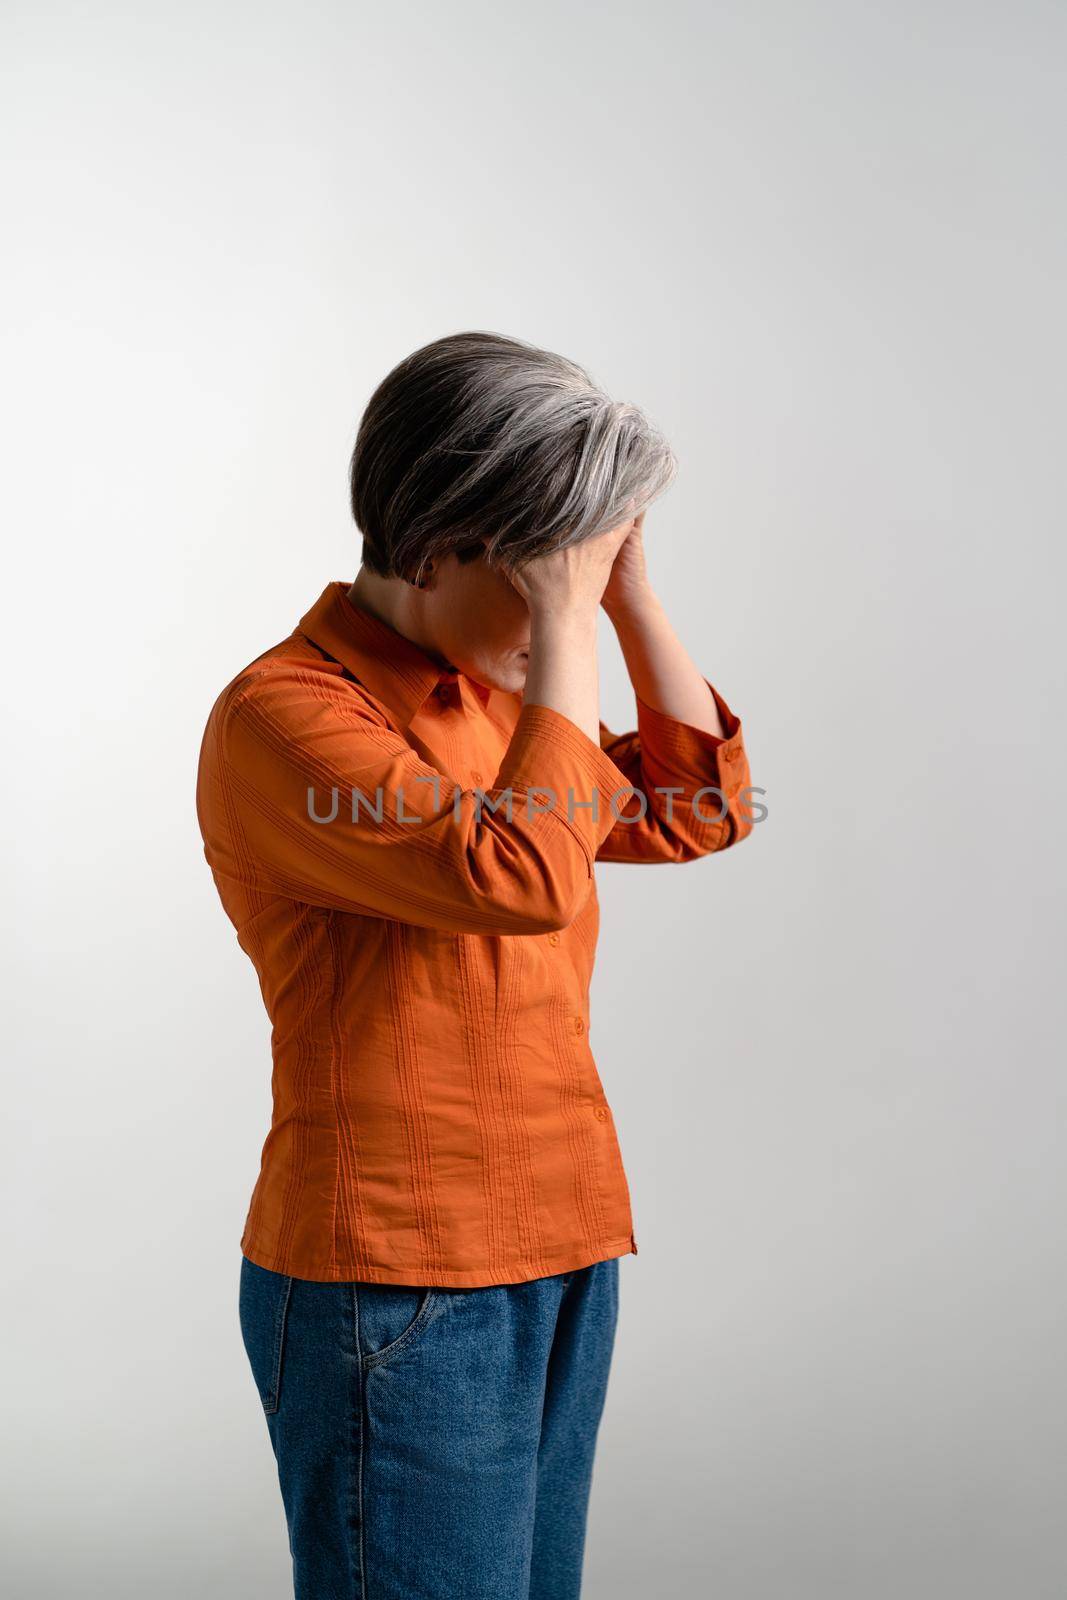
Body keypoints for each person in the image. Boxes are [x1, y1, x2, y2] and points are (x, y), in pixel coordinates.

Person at [195, 330, 755, 1599]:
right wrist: (562, 628)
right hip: (392, 1284)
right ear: (437, 543)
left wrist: (625, 597)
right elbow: (520, 875)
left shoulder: (497, 703)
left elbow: (696, 809)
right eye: (546, 573)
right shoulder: (287, 718)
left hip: (558, 1248)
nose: (566, 613)